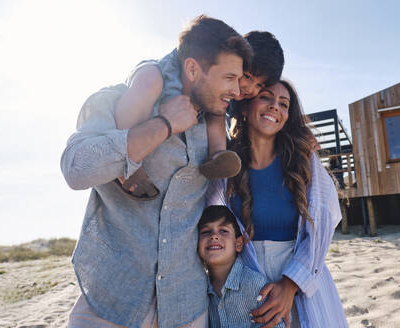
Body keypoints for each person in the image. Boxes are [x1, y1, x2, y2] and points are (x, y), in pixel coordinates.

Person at [61, 15, 252, 328]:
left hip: (185, 308)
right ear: (192, 69)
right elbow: (76, 170)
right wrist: (163, 125)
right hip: (111, 302)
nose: (236, 88)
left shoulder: (216, 124)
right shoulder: (116, 100)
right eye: (229, 77)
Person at [207, 80, 348, 327]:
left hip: (300, 278)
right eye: (266, 97)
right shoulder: (226, 162)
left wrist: (291, 284)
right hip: (245, 280)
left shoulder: (304, 160)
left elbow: (322, 228)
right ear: (245, 107)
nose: (274, 107)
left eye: (283, 104)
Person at [113, 31, 285, 199]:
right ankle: (126, 166)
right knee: (146, 93)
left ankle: (218, 155)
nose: (250, 88)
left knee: (217, 111)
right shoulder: (170, 75)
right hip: (166, 78)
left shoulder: (238, 98)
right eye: (247, 76)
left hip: (203, 99)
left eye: (259, 86)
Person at [197, 205, 285, 328]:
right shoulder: (200, 288)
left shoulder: (253, 284)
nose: (214, 236)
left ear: (238, 244)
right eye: (206, 232)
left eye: (223, 231)